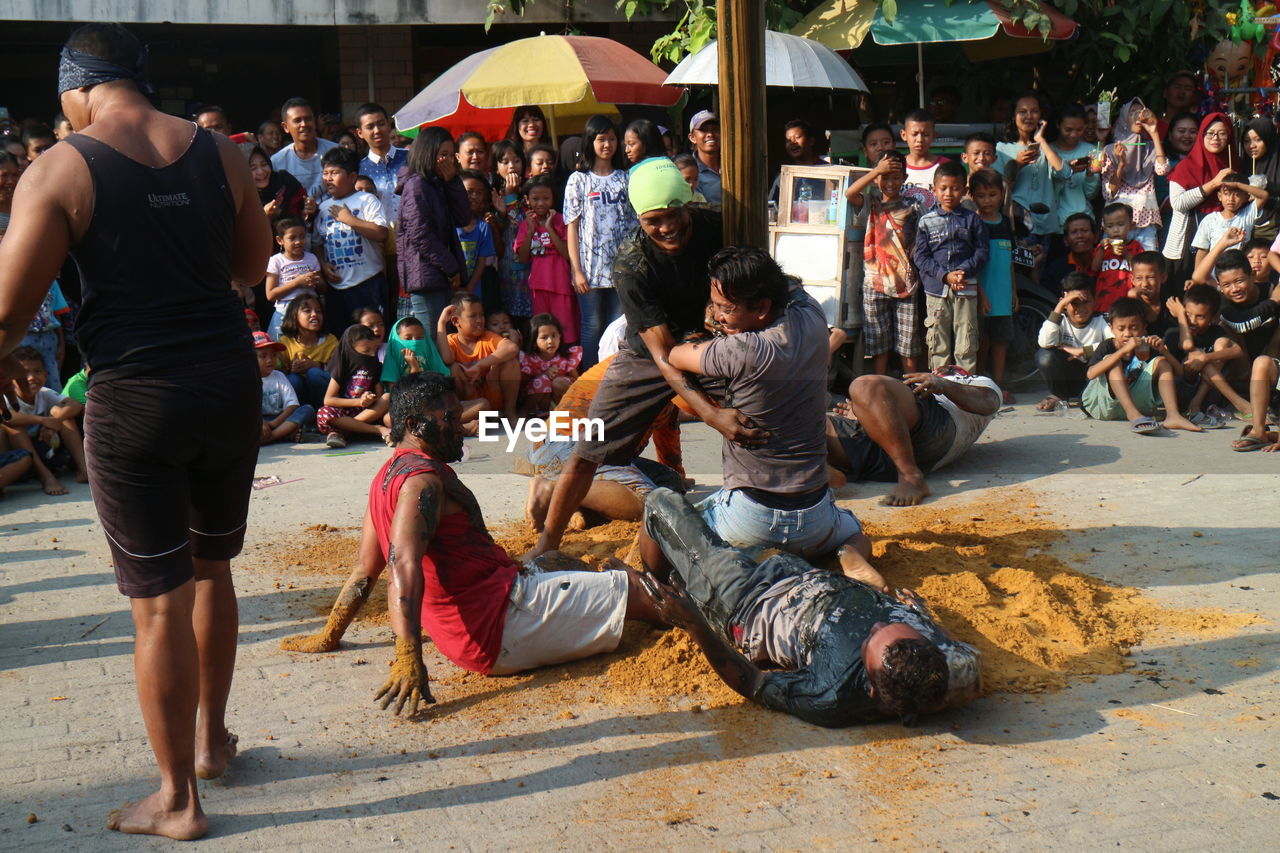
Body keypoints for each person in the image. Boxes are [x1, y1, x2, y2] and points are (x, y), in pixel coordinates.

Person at [0, 23, 273, 839]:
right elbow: (252, 266)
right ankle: (214, 743)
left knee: (158, 607)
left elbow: (10, 311)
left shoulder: (60, 167)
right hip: (228, 385)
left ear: (73, 91)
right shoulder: (220, 151)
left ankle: (178, 800)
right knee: (212, 568)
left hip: (135, 400)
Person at [278, 373, 664, 692]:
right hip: (499, 626)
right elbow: (403, 567)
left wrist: (330, 635)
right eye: (448, 418)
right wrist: (408, 657)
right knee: (640, 591)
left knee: (559, 561)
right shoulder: (421, 484)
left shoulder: (387, 475)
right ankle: (717, 627)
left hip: (488, 615)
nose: (461, 428)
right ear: (414, 426)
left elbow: (365, 570)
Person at [523, 157, 766, 561]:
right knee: (589, 450)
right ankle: (548, 541)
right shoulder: (631, 263)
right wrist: (711, 416)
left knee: (760, 405)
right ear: (639, 218)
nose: (667, 227)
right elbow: (663, 354)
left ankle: (782, 504)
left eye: (674, 215)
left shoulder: (719, 224)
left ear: (687, 205)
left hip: (707, 336)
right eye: (655, 221)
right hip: (649, 353)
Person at [635, 488, 982, 728]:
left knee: (661, 502)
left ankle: (654, 584)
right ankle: (853, 560)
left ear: (871, 687)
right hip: (803, 575)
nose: (873, 625)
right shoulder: (955, 667)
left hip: (748, 600)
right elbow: (946, 648)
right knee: (849, 545)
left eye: (871, 636)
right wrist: (921, 616)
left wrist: (693, 624)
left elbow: (752, 681)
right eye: (887, 622)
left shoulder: (831, 695)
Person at [655, 246, 884, 590]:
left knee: (663, 522)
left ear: (761, 308)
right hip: (816, 516)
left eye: (724, 308)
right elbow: (793, 285)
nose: (717, 316)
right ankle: (849, 556)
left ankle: (749, 558)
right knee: (855, 534)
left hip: (749, 516)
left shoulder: (740, 351)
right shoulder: (811, 316)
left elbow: (674, 355)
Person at [523, 353, 685, 531]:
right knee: (653, 506)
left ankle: (571, 507)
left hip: (550, 447)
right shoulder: (653, 367)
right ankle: (554, 488)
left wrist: (678, 475)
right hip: (570, 446)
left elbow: (667, 437)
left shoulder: (634, 359)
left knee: (670, 482)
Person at [826, 368, 1002, 507]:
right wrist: (864, 413)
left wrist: (945, 385)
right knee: (806, 420)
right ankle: (815, 469)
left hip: (934, 428)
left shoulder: (976, 382)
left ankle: (910, 475)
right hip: (885, 451)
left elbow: (989, 403)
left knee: (864, 385)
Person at [565, 115, 635, 368]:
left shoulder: (625, 178)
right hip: (590, 270)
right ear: (590, 141)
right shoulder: (578, 180)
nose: (607, 144)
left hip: (621, 267)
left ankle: (613, 379)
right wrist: (577, 270)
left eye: (612, 139)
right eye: (601, 139)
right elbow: (571, 227)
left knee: (616, 327)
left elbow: (634, 222)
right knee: (592, 326)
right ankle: (588, 380)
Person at [846, 150, 921, 375]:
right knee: (879, 343)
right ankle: (880, 387)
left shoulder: (913, 206)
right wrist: (877, 170)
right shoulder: (871, 202)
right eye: (884, 177)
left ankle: (912, 391)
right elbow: (850, 193)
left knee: (907, 345)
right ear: (877, 178)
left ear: (905, 179)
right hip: (874, 282)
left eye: (896, 177)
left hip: (906, 284)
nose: (890, 183)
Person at [1081, 297, 1199, 433]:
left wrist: (1164, 351)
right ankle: (1133, 414)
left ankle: (1173, 415)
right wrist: (1123, 351)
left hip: (1139, 403)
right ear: (1112, 328)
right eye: (1121, 328)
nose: (1127, 334)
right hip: (1105, 405)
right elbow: (1090, 374)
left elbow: (1181, 373)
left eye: (1134, 328)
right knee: (1112, 361)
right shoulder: (1107, 345)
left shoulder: (1147, 345)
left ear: (1144, 328)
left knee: (1161, 362)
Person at [914, 160, 989, 372]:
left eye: (955, 188)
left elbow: (982, 252)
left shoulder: (973, 221)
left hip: (966, 287)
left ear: (964, 190)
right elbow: (920, 257)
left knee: (966, 338)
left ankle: (966, 387)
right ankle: (939, 387)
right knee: (938, 340)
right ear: (934, 190)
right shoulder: (926, 221)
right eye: (943, 188)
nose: (949, 193)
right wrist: (945, 276)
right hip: (936, 290)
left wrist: (963, 272)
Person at [396, 126, 470, 332]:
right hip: (426, 277)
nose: (447, 160)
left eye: (450, 155)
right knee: (433, 341)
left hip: (441, 275)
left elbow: (463, 217)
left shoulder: (439, 183)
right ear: (428, 154)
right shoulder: (416, 185)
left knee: (447, 341)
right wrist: (451, 267)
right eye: (442, 155)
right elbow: (420, 235)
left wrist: (453, 181)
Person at [312, 146, 389, 334]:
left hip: (368, 283)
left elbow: (381, 233)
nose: (328, 178)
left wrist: (350, 220)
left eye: (335, 173)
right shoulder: (323, 207)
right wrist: (322, 264)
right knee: (342, 336)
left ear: (352, 177)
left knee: (372, 335)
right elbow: (317, 243)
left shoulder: (366, 200)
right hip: (337, 287)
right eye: (325, 173)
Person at [1164, 112, 1236, 275]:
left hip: (1222, 241)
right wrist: (1213, 184)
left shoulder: (1232, 164)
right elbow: (1178, 204)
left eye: (1222, 133)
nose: (1216, 138)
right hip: (1187, 243)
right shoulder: (1185, 167)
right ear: (1201, 136)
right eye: (1210, 133)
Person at [5, 344, 89, 484]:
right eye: (25, 373)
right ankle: (46, 477)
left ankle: (84, 469)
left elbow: (75, 405)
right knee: (15, 429)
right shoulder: (8, 396)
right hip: (16, 455)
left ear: (45, 375)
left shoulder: (44, 393)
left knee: (64, 417)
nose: (31, 378)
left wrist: (53, 421)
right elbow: (7, 417)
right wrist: (43, 421)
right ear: (12, 377)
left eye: (37, 371)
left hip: (43, 448)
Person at [1165, 282, 1251, 419]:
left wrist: (1206, 358)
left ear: (1213, 317)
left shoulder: (1215, 331)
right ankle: (1240, 403)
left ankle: (1196, 403)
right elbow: (1186, 345)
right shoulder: (1174, 334)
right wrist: (1181, 315)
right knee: (1195, 354)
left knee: (1221, 345)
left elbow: (1237, 351)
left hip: (1211, 392)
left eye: (1200, 317)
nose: (1192, 321)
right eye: (1188, 314)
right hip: (1182, 391)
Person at [436, 291, 520, 424]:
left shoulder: (487, 337)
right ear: (456, 321)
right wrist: (441, 324)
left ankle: (510, 412)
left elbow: (512, 348)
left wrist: (480, 365)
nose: (479, 320)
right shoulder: (451, 340)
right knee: (453, 368)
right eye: (473, 316)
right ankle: (470, 416)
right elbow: (447, 359)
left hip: (494, 396)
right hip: (472, 403)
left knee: (511, 362)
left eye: (481, 315)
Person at [1099, 100, 1171, 252]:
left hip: (1146, 221)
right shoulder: (1111, 150)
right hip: (1116, 224)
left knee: (1148, 267)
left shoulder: (1149, 147)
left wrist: (1154, 133)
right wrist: (1121, 165)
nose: (1138, 116)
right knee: (1117, 269)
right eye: (1132, 113)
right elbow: (1108, 193)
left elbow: (1162, 170)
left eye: (1141, 112)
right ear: (1124, 119)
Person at [971, 168, 1017, 400]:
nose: (987, 200)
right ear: (972, 197)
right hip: (982, 295)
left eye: (992, 195)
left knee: (1001, 342)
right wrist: (980, 294)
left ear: (1001, 194)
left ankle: (998, 386)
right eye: (981, 195)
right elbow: (974, 265)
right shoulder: (973, 223)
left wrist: (1014, 293)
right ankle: (980, 385)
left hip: (1003, 294)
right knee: (981, 342)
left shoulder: (1006, 223)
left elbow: (1009, 262)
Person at [1035, 272, 1112, 410]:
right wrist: (1060, 307)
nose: (1081, 308)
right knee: (1044, 355)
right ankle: (1058, 395)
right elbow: (1044, 342)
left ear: (1095, 301)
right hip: (1068, 376)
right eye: (1074, 303)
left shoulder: (1102, 321)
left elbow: (1115, 343)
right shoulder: (1060, 320)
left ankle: (1093, 396)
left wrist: (1083, 351)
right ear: (1064, 303)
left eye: (1086, 302)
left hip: (1093, 377)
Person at [517, 175, 578, 344]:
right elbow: (522, 258)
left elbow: (567, 254)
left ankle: (569, 366)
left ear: (553, 199)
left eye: (546, 198)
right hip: (538, 287)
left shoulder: (561, 220)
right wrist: (530, 231)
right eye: (535, 199)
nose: (541, 203)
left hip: (561, 285)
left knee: (566, 332)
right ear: (527, 200)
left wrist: (550, 228)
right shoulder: (526, 224)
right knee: (542, 331)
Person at [997, 94, 1065, 241]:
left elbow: (1062, 173)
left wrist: (1040, 140)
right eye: (1022, 111)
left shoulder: (1048, 148)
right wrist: (1018, 165)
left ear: (1041, 115)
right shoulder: (1001, 149)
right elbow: (1000, 191)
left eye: (1034, 111)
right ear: (1013, 116)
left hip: (1048, 224)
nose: (1029, 116)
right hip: (1018, 223)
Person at [316, 323, 391, 449]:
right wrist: (358, 402)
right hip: (345, 411)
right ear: (351, 350)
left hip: (368, 413)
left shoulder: (376, 365)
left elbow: (379, 398)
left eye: (374, 351)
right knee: (323, 413)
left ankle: (345, 431)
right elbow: (329, 399)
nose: (372, 355)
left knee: (387, 397)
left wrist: (370, 399)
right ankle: (377, 430)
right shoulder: (342, 367)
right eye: (366, 351)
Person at [264, 216, 332, 340]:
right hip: (285, 313)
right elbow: (270, 295)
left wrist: (317, 281)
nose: (298, 241)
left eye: (302, 236)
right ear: (280, 240)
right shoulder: (276, 261)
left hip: (309, 311)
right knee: (283, 350)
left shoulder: (311, 258)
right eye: (292, 238)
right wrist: (296, 283)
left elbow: (323, 288)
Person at [1189, 171, 1268, 269]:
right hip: (1215, 273)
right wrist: (1197, 278)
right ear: (1219, 196)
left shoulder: (1247, 215)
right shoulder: (1210, 220)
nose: (1231, 199)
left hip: (1240, 272)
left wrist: (1238, 185)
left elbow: (1264, 195)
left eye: (1237, 195)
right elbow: (1202, 251)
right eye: (1226, 194)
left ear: (1246, 197)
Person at [491, 140, 533, 322]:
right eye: (505, 161)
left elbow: (521, 222)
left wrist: (512, 195)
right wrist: (506, 197)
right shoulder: (493, 192)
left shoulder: (529, 190)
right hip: (506, 263)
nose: (511, 166)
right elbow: (503, 224)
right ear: (496, 166)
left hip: (530, 262)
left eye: (516, 160)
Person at [277, 294, 337, 410]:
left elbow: (338, 372)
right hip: (298, 395)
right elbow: (277, 374)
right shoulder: (285, 342)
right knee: (293, 379)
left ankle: (323, 414)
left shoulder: (331, 341)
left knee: (314, 373)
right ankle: (299, 416)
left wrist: (317, 365)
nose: (314, 314)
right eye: (307, 311)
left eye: (318, 311)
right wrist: (291, 370)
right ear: (294, 316)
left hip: (323, 395)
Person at [271, 96, 338, 198]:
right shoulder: (277, 161)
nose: (304, 124)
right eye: (297, 120)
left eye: (308, 119)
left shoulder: (336, 152)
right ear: (285, 127)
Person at [354, 102, 409, 228]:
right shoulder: (358, 169)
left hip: (413, 235)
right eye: (370, 127)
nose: (377, 130)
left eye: (381, 124)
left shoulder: (411, 157)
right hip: (378, 238)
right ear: (360, 133)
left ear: (389, 126)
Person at [254, 331, 312, 444]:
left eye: (273, 355)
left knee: (307, 409)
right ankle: (284, 434)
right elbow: (245, 409)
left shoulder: (278, 376)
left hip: (277, 420)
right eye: (263, 356)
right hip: (256, 421)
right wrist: (260, 422)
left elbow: (293, 405)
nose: (270, 360)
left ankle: (270, 437)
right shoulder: (248, 379)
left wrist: (272, 424)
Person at [1051, 104, 1101, 228]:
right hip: (1056, 223)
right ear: (1058, 125)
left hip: (1085, 221)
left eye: (1079, 129)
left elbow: (1091, 194)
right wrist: (1066, 171)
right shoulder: (1047, 151)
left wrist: (1090, 175)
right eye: (1068, 129)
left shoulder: (1093, 151)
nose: (1073, 134)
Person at [1092, 202, 1145, 313]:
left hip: (1127, 302)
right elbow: (1094, 268)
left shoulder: (1136, 246)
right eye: (1110, 226)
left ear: (1131, 226)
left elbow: (1140, 270)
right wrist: (1101, 250)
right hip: (1104, 303)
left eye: (1120, 224)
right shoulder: (1102, 247)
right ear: (1104, 229)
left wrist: (1126, 254)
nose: (1115, 230)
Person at [456, 169, 499, 301]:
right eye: (469, 191)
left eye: (479, 193)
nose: (474, 196)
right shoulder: (449, 224)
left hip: (473, 291)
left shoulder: (483, 228)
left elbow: (482, 262)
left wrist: (469, 288)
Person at [20, 279, 70, 388]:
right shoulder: (11, 280)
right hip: (22, 337)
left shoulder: (51, 281)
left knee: (52, 379)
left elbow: (57, 314)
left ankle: (51, 404)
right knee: (23, 379)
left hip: (48, 339)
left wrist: (61, 344)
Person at [768, 118, 829, 203]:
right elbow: (771, 206)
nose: (793, 142)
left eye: (797, 137)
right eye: (788, 140)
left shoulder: (828, 172)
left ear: (811, 141)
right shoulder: (783, 177)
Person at [249, 146, 312, 226]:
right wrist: (266, 217)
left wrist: (311, 209)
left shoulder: (285, 181)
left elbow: (306, 211)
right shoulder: (242, 198)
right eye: (253, 168)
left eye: (264, 164)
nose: (261, 172)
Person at [381, 315, 448, 389]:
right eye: (408, 338)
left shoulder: (430, 355)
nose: (415, 342)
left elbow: (440, 382)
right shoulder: (392, 360)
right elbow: (394, 391)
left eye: (419, 338)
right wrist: (414, 367)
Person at [900, 108, 947, 209]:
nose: (920, 139)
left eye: (925, 134)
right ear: (904, 135)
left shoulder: (945, 166)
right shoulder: (896, 166)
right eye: (914, 134)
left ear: (934, 136)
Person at [1128, 251, 1175, 338]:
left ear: (1163, 277)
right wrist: (1132, 298)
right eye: (1139, 278)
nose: (1145, 284)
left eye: (1150, 277)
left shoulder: (1172, 305)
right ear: (1132, 280)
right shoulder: (1126, 306)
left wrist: (1181, 315)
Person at [687, 109, 721, 204]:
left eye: (715, 129)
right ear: (692, 138)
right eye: (704, 130)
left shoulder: (732, 165)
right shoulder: (688, 171)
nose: (710, 134)